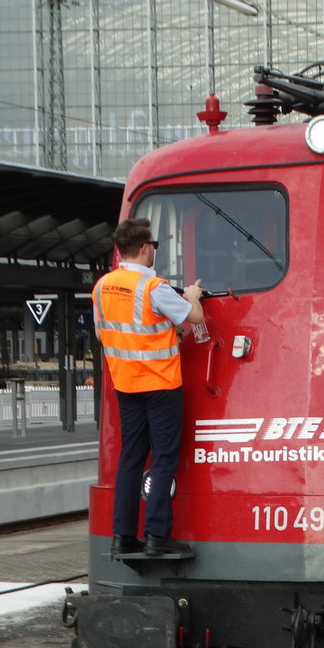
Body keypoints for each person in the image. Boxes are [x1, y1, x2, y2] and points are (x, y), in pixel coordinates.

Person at [93, 217, 203, 556]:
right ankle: (157, 535)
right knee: (164, 456)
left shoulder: (102, 287)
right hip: (161, 384)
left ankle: (122, 536)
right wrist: (193, 295)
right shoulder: (154, 288)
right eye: (153, 246)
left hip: (126, 384)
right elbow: (194, 317)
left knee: (131, 458)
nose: (153, 250)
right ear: (144, 248)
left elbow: (102, 334)